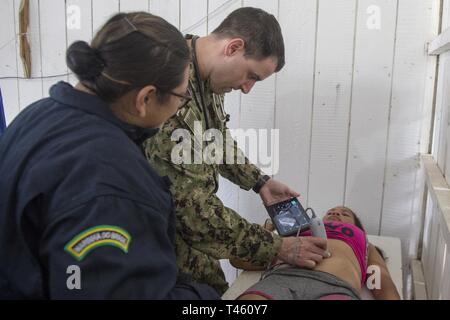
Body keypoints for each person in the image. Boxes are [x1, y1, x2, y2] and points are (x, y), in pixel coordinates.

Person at [0, 12, 219, 299]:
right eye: (182, 97)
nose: (180, 107)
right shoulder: (113, 183)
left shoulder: (37, 115)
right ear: (145, 99)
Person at [143, 7, 329, 295]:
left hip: (189, 245)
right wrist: (277, 247)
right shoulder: (172, 82)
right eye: (251, 76)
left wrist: (259, 181)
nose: (247, 89)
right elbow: (192, 210)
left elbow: (215, 139)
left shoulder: (208, 81)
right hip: (158, 248)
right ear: (233, 47)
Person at [235, 206, 401, 300]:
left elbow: (380, 279)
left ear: (356, 227)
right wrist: (267, 230)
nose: (336, 213)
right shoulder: (295, 233)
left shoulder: (364, 243)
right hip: (281, 279)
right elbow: (239, 261)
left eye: (345, 214)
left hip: (334, 287)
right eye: (330, 212)